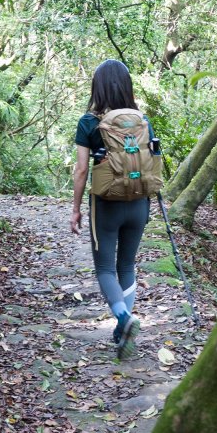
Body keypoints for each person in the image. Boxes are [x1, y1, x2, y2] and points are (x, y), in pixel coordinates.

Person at [70, 60, 153, 359]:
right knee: (127, 265)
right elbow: (152, 159)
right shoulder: (142, 120)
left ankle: (123, 318)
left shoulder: (89, 122)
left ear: (98, 86)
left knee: (105, 268)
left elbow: (81, 171)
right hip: (139, 203)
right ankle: (122, 333)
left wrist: (76, 209)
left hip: (106, 204)